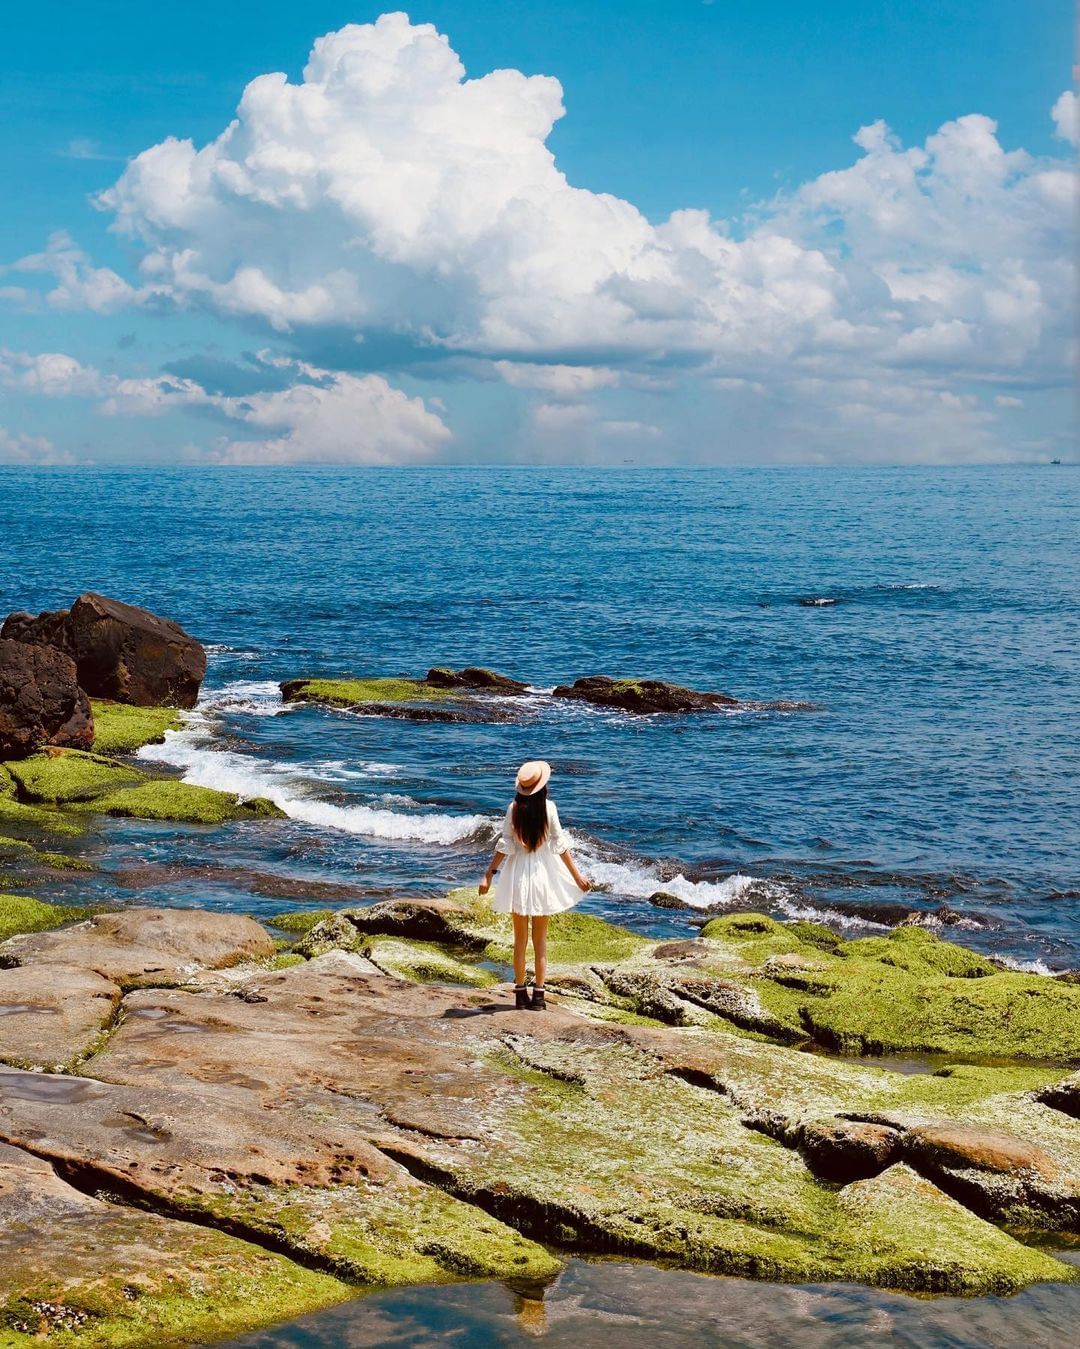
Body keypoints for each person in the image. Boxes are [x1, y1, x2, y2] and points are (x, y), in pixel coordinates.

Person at [478, 760, 590, 1010]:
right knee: (540, 941)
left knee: (520, 940)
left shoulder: (513, 809)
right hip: (541, 877)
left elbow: (504, 846)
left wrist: (489, 875)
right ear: (543, 786)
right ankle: (539, 996)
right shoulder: (549, 809)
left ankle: (519, 994)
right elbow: (560, 846)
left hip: (518, 876)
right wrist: (577, 877)